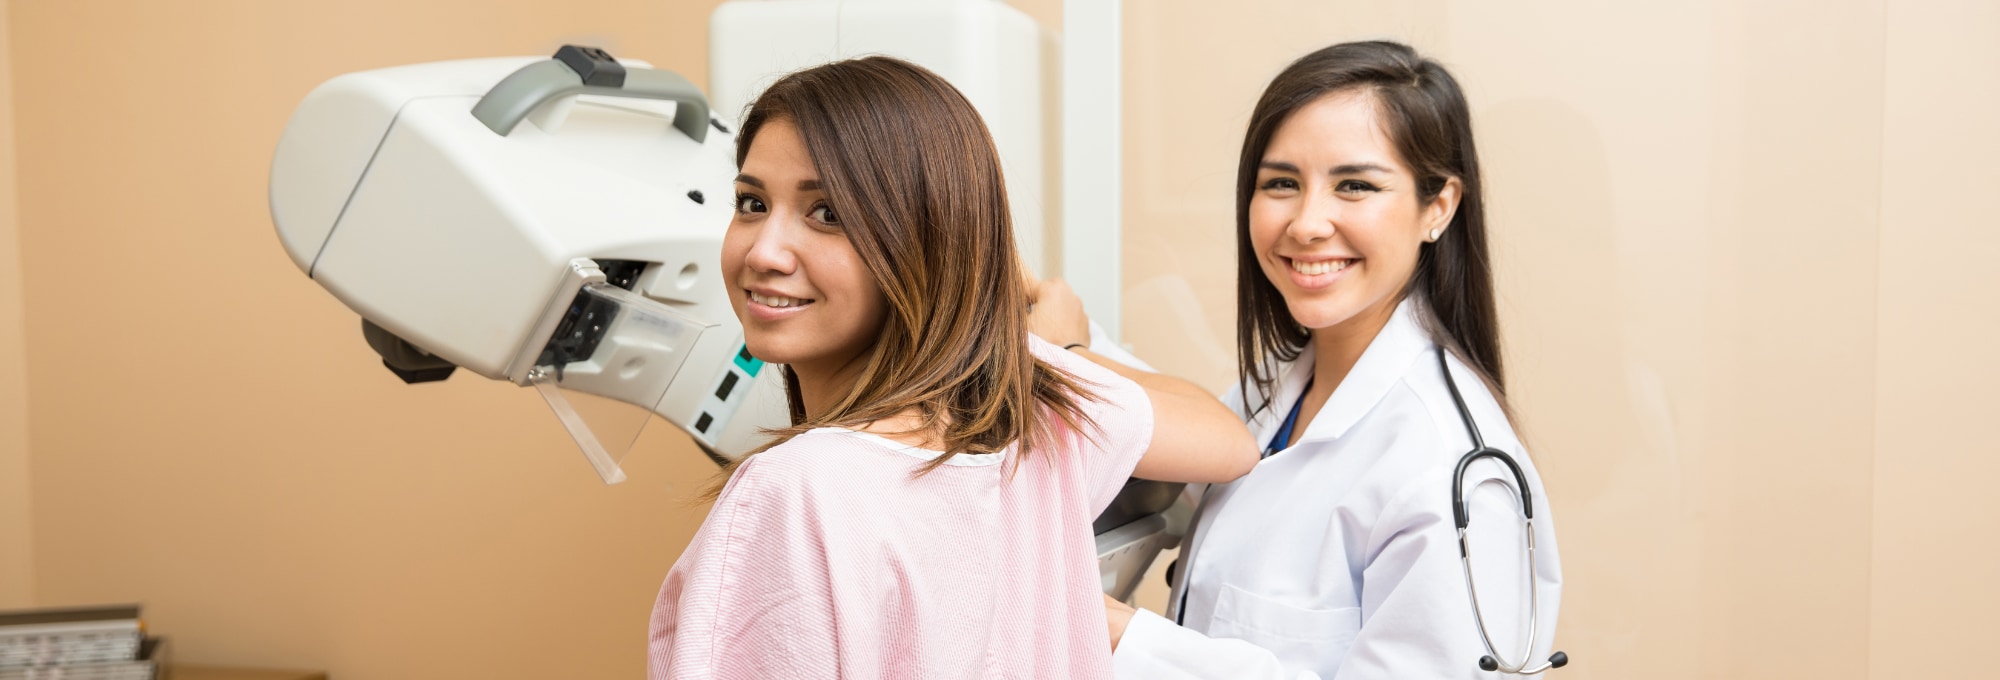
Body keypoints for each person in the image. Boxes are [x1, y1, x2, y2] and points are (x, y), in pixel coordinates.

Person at [646, 56, 1260, 679]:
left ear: (929, 241)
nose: (764, 250)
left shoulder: (797, 491)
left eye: (826, 213)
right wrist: (1049, 351)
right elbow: (1229, 442)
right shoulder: (1033, 422)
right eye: (751, 202)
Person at [1043, 41, 1565, 678]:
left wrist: (1122, 634)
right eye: (1282, 183)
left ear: (1438, 207)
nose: (1308, 223)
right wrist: (1066, 346)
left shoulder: (1453, 474)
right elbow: (1189, 438)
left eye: (1355, 185)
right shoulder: (1280, 386)